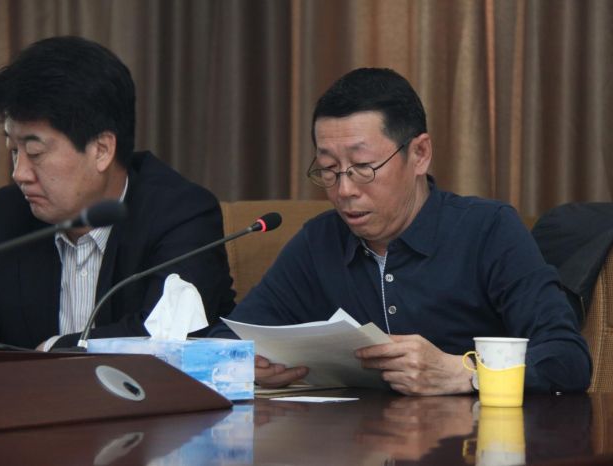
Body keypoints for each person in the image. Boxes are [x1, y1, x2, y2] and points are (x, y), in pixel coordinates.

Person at [211, 68, 591, 395]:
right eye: (328, 169)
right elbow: (227, 340)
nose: (344, 189)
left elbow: (567, 358)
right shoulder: (320, 242)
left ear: (420, 154)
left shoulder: (488, 229)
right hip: (356, 442)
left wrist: (464, 374)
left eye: (363, 167)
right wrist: (245, 365)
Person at [0, 36, 235, 350]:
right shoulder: (7, 213)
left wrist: (53, 351)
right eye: (14, 151)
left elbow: (165, 336)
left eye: (35, 153)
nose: (19, 174)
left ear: (101, 150)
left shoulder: (181, 215)